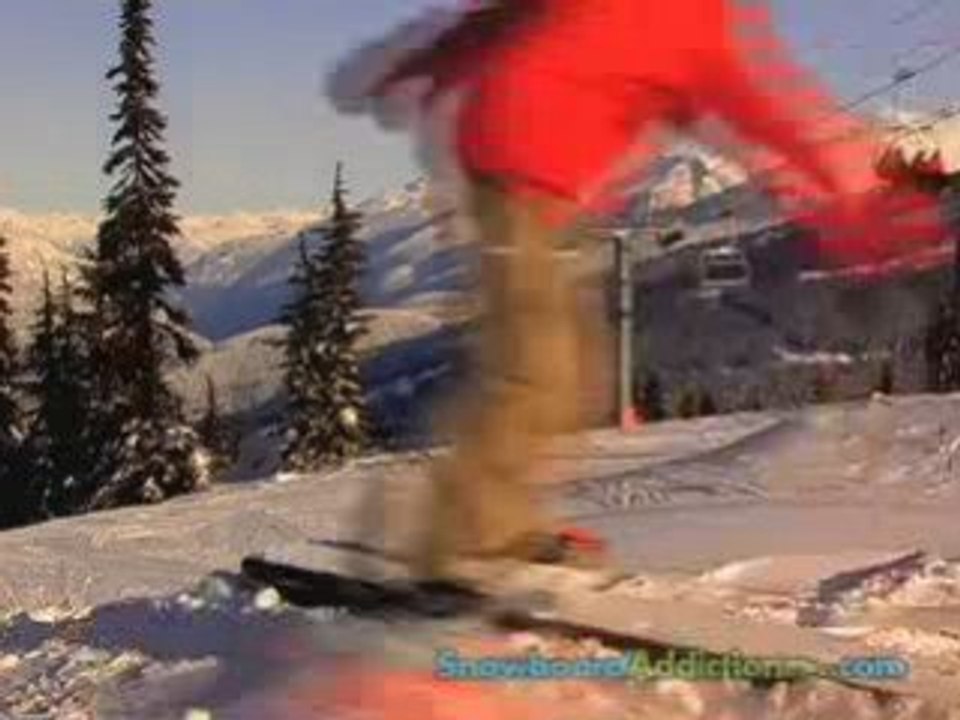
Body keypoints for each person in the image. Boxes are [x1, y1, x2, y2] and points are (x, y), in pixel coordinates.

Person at [328, 0, 945, 585]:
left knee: (565, 373)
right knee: (535, 373)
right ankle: (454, 543)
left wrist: (423, 60)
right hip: (515, 175)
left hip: (517, 171)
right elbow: (782, 122)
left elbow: (504, 18)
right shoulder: (691, 26)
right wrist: (866, 195)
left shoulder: (686, 26)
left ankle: (494, 525)